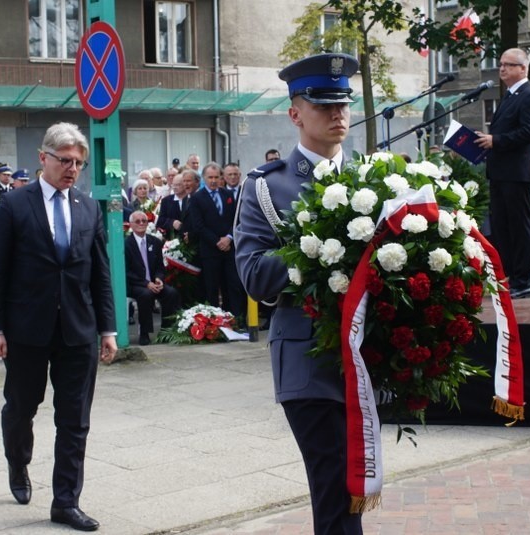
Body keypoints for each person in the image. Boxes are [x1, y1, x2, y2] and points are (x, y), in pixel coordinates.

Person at [235, 52, 364, 534]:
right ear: (295, 113)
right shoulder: (268, 187)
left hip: (366, 356)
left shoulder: (374, 178)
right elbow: (254, 276)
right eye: (323, 104)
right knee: (334, 487)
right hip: (308, 357)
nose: (337, 114)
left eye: (343, 104)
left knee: (355, 487)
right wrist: (319, 246)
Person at [0, 122, 116, 532]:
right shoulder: (15, 206)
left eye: (78, 163)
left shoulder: (88, 207)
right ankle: (18, 463)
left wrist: (108, 329)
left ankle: (65, 501)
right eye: (65, 160)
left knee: (75, 419)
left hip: (78, 329)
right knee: (22, 408)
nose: (72, 168)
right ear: (44, 159)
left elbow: (101, 274)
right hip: (26, 330)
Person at [474, 47, 530, 299]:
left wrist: (496, 140)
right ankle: (508, 278)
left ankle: (523, 281)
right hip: (501, 172)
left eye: (508, 64)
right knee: (502, 229)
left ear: (522, 68)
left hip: (517, 173)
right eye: (501, 64)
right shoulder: (509, 95)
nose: (502, 68)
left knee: (519, 228)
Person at [189, 162, 245, 320]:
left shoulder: (227, 195)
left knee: (233, 286)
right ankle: (215, 323)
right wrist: (217, 241)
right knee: (212, 288)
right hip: (210, 250)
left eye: (216, 177)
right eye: (210, 177)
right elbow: (198, 226)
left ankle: (236, 320)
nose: (213, 181)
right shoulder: (197, 198)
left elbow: (236, 218)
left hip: (229, 249)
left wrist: (228, 238)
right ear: (204, 178)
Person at [124, 210, 181, 345]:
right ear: (131, 225)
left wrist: (159, 279)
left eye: (144, 221)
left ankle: (166, 330)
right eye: (138, 221)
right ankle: (144, 332)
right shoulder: (126, 244)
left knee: (171, 293)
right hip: (135, 284)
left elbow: (160, 267)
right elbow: (126, 271)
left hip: (153, 283)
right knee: (146, 294)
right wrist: (145, 283)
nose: (141, 223)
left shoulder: (155, 242)